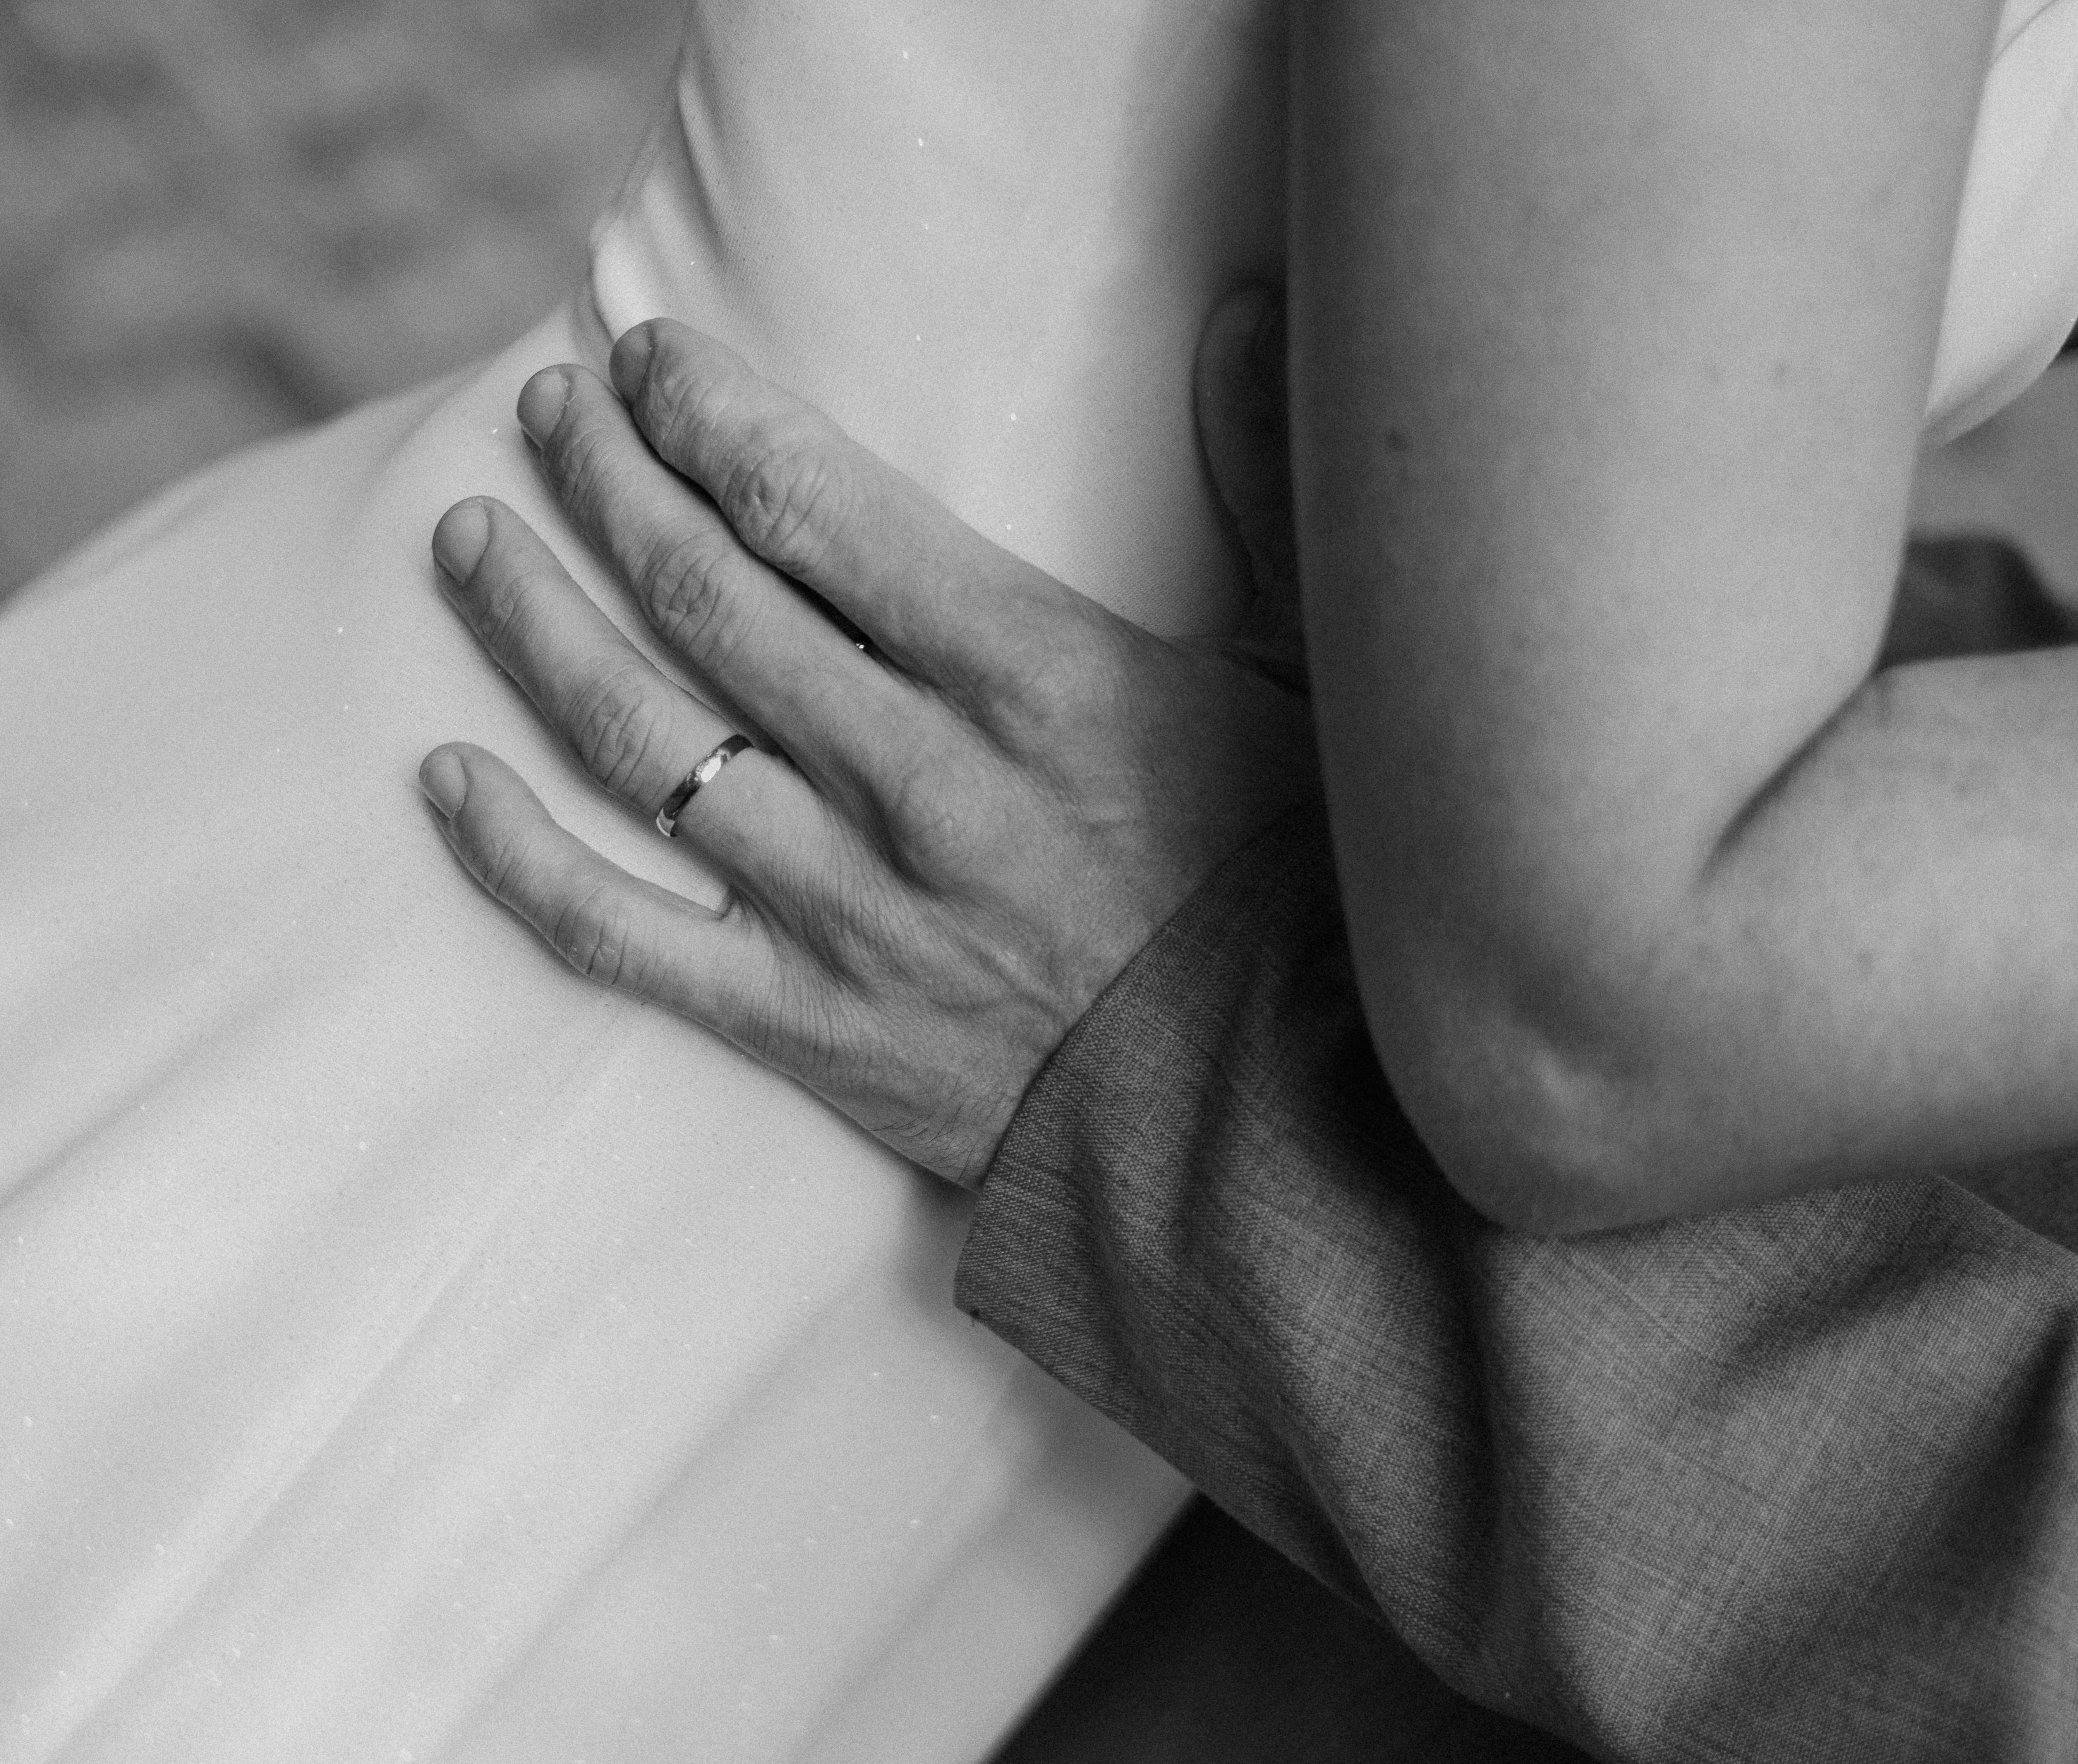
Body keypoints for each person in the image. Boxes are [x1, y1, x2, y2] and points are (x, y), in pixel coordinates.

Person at [416, 2, 2078, 1758]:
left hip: (1054, 1165)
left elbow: (1587, 1010)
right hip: (714, 922)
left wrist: (1233, 1072)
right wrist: (1501, 637)